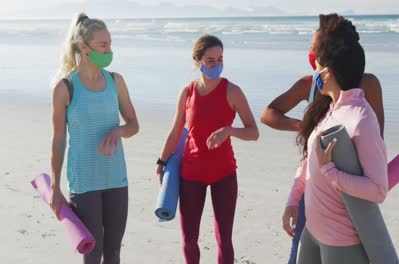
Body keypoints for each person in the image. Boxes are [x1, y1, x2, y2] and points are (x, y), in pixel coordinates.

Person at [260, 14, 385, 264]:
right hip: (315, 198)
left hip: (344, 203)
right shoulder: (320, 95)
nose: (311, 54)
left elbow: (375, 145)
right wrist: (310, 132)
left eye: (315, 49)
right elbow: (269, 115)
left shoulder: (363, 97)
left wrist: (334, 165)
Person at [155, 34, 259, 264]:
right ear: (198, 60)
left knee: (224, 239)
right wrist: (161, 162)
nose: (217, 65)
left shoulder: (233, 91)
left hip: (224, 174)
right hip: (191, 174)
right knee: (189, 239)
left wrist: (229, 131)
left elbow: (253, 132)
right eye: (210, 60)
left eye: (220, 59)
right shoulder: (187, 92)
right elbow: (175, 132)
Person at [49, 12, 139, 264]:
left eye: (110, 44)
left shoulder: (115, 81)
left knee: (113, 253)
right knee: (93, 251)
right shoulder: (65, 88)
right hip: (84, 181)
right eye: (103, 45)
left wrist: (118, 131)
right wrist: (56, 186)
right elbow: (58, 140)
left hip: (116, 178)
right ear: (84, 47)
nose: (109, 50)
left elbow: (133, 124)